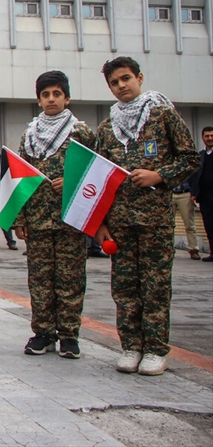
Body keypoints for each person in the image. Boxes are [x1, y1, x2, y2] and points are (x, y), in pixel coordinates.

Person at [94, 57, 199, 376]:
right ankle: (131, 346)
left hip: (155, 219)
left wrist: (159, 176)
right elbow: (98, 176)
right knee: (124, 286)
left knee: (154, 285)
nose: (121, 86)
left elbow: (190, 158)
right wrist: (100, 223)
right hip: (121, 221)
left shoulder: (162, 113)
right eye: (114, 82)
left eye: (126, 78)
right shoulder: (107, 127)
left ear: (139, 77)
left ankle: (155, 349)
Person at [14, 71, 96, 359]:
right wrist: (20, 219)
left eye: (56, 94)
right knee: (40, 279)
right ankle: (43, 332)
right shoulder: (29, 135)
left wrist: (72, 181)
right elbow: (20, 179)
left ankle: (69, 336)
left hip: (70, 218)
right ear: (38, 100)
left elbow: (95, 174)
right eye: (46, 95)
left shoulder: (81, 133)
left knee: (70, 279)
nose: (51, 99)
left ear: (67, 97)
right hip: (37, 219)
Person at [189, 126, 213, 262]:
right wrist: (194, 193)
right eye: (207, 136)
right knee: (209, 224)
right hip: (205, 196)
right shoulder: (200, 156)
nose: (210, 139)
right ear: (203, 138)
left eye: (212, 136)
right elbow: (195, 176)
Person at [172, 178, 200, 259]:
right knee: (168, 225)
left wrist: (194, 193)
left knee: (189, 224)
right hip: (170, 193)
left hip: (185, 193)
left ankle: (193, 249)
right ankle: (169, 249)